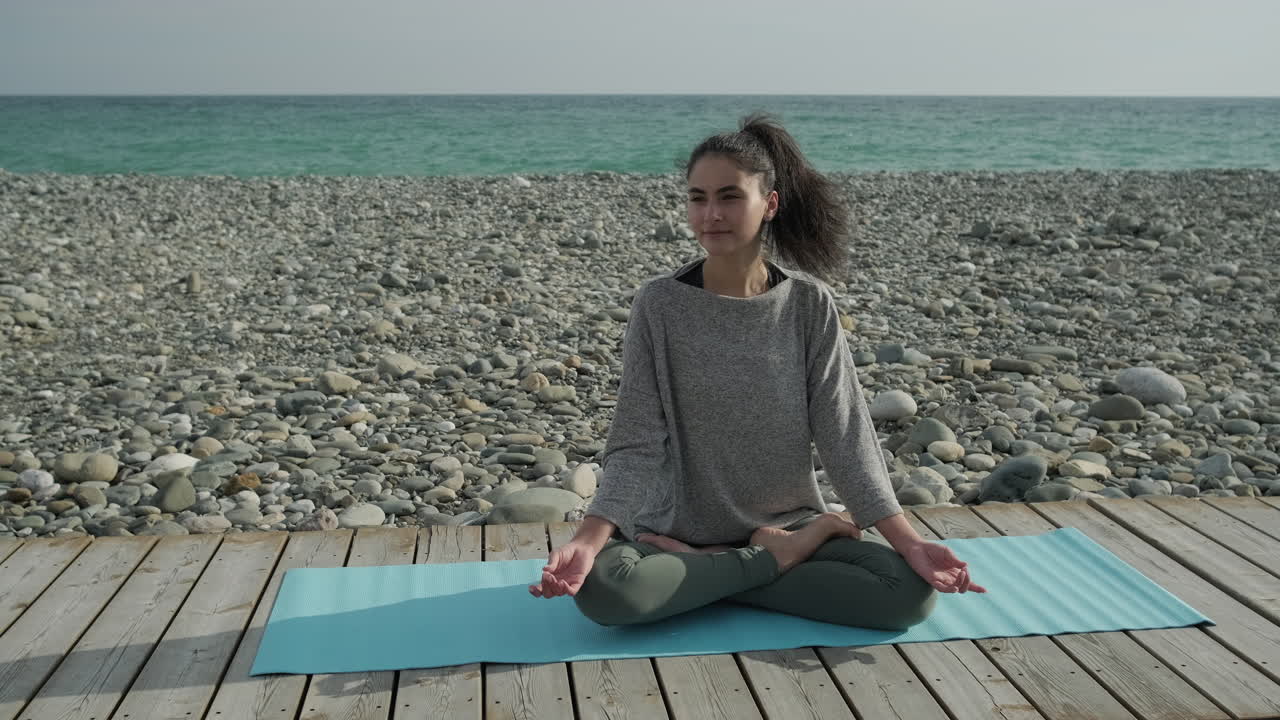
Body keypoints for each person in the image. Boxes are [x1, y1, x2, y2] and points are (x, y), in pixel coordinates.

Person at [528, 113, 986, 630]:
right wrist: (588, 541)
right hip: (671, 532)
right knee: (609, 593)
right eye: (698, 198)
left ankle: (715, 574)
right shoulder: (660, 304)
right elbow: (635, 442)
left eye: (729, 197)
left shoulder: (808, 304)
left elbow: (845, 436)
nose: (710, 214)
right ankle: (767, 561)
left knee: (907, 595)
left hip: (788, 523)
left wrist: (912, 543)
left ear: (769, 204)